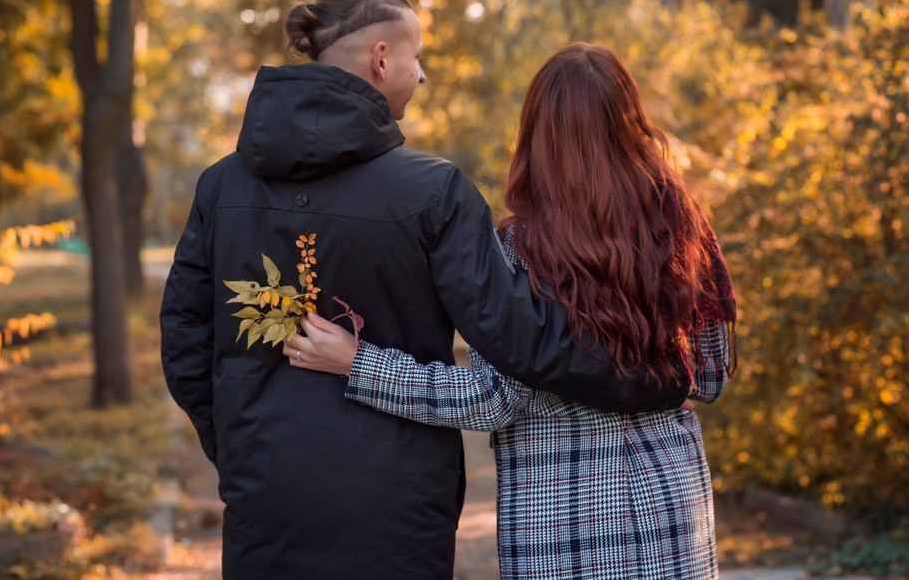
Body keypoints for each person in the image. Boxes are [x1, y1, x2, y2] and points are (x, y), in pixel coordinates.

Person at [160, 0, 690, 580]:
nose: (423, 74)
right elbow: (520, 341)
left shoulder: (220, 188)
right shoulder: (435, 193)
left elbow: (183, 340)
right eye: (417, 57)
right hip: (397, 506)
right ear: (381, 58)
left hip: (264, 494)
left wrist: (239, 449)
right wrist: (654, 378)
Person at [284, 42, 738, 579]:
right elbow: (708, 378)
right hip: (672, 508)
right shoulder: (681, 225)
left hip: (565, 521)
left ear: (538, 137)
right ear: (630, 122)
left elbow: (491, 401)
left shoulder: (519, 250)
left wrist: (359, 364)